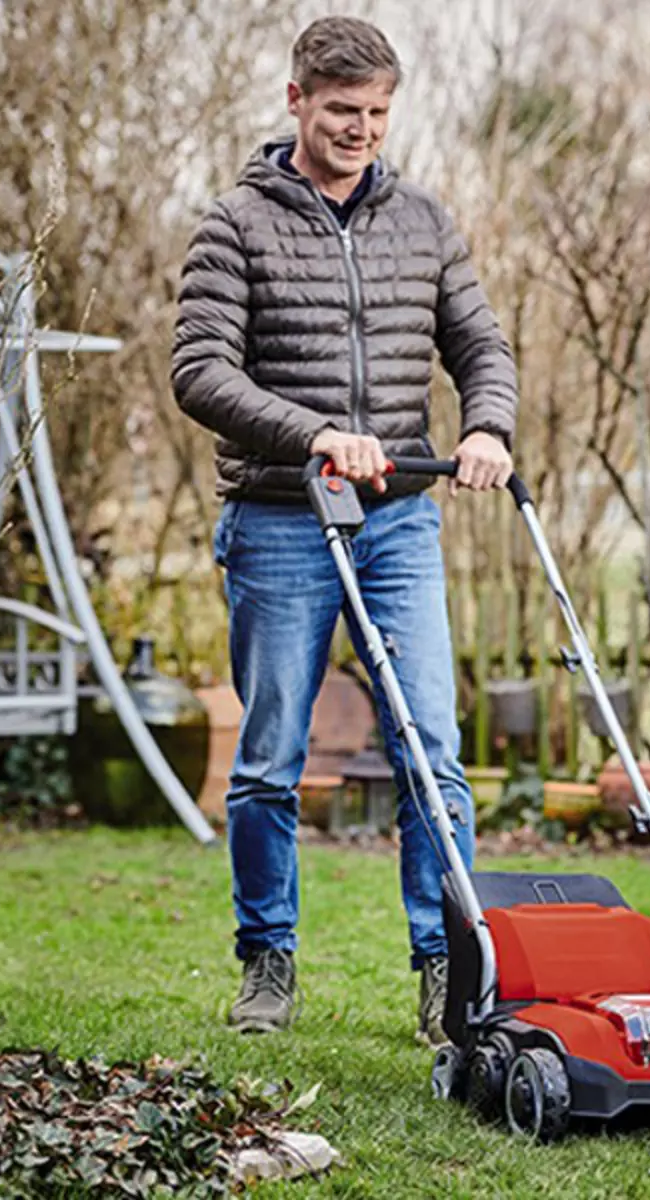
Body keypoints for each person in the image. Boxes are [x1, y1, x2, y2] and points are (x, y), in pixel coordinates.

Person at [171, 15, 518, 1041]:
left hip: (399, 524)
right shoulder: (233, 224)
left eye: (375, 113)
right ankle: (267, 963)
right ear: (295, 103)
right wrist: (318, 433)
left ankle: (442, 969)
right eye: (340, 113)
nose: (360, 130)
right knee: (272, 758)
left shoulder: (424, 221)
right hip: (279, 522)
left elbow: (480, 343)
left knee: (432, 755)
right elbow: (201, 373)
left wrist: (488, 424)